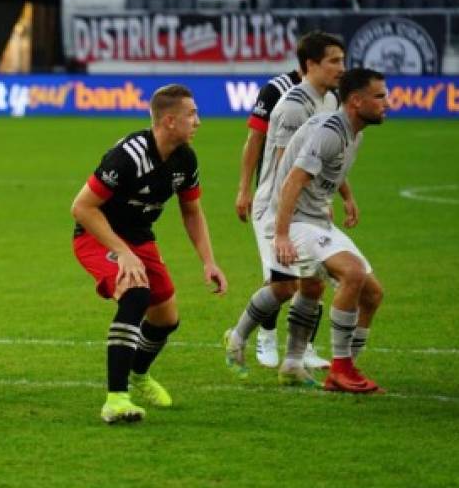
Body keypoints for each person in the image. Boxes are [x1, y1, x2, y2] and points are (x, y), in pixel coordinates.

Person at [71, 84, 228, 424]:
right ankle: (115, 399)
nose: (199, 121)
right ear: (169, 121)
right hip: (98, 236)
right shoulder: (128, 156)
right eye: (192, 115)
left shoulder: (185, 158)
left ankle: (138, 374)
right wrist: (122, 252)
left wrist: (208, 261)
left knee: (166, 318)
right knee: (135, 293)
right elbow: (82, 208)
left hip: (140, 237)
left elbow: (192, 212)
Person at [225, 31, 349, 383]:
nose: (342, 68)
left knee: (312, 285)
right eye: (335, 61)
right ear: (311, 64)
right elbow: (284, 168)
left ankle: (294, 361)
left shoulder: (329, 101)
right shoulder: (290, 102)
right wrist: (248, 193)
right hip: (279, 204)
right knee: (283, 286)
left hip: (307, 204)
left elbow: (326, 156)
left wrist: (342, 196)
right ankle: (239, 338)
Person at [269, 68, 388, 393]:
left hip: (318, 220)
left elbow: (330, 170)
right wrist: (280, 235)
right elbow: (294, 179)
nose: (386, 103)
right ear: (356, 100)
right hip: (296, 221)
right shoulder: (331, 130)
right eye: (379, 96)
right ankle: (340, 369)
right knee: (352, 273)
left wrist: (347, 197)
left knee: (373, 294)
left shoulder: (354, 132)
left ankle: (348, 364)